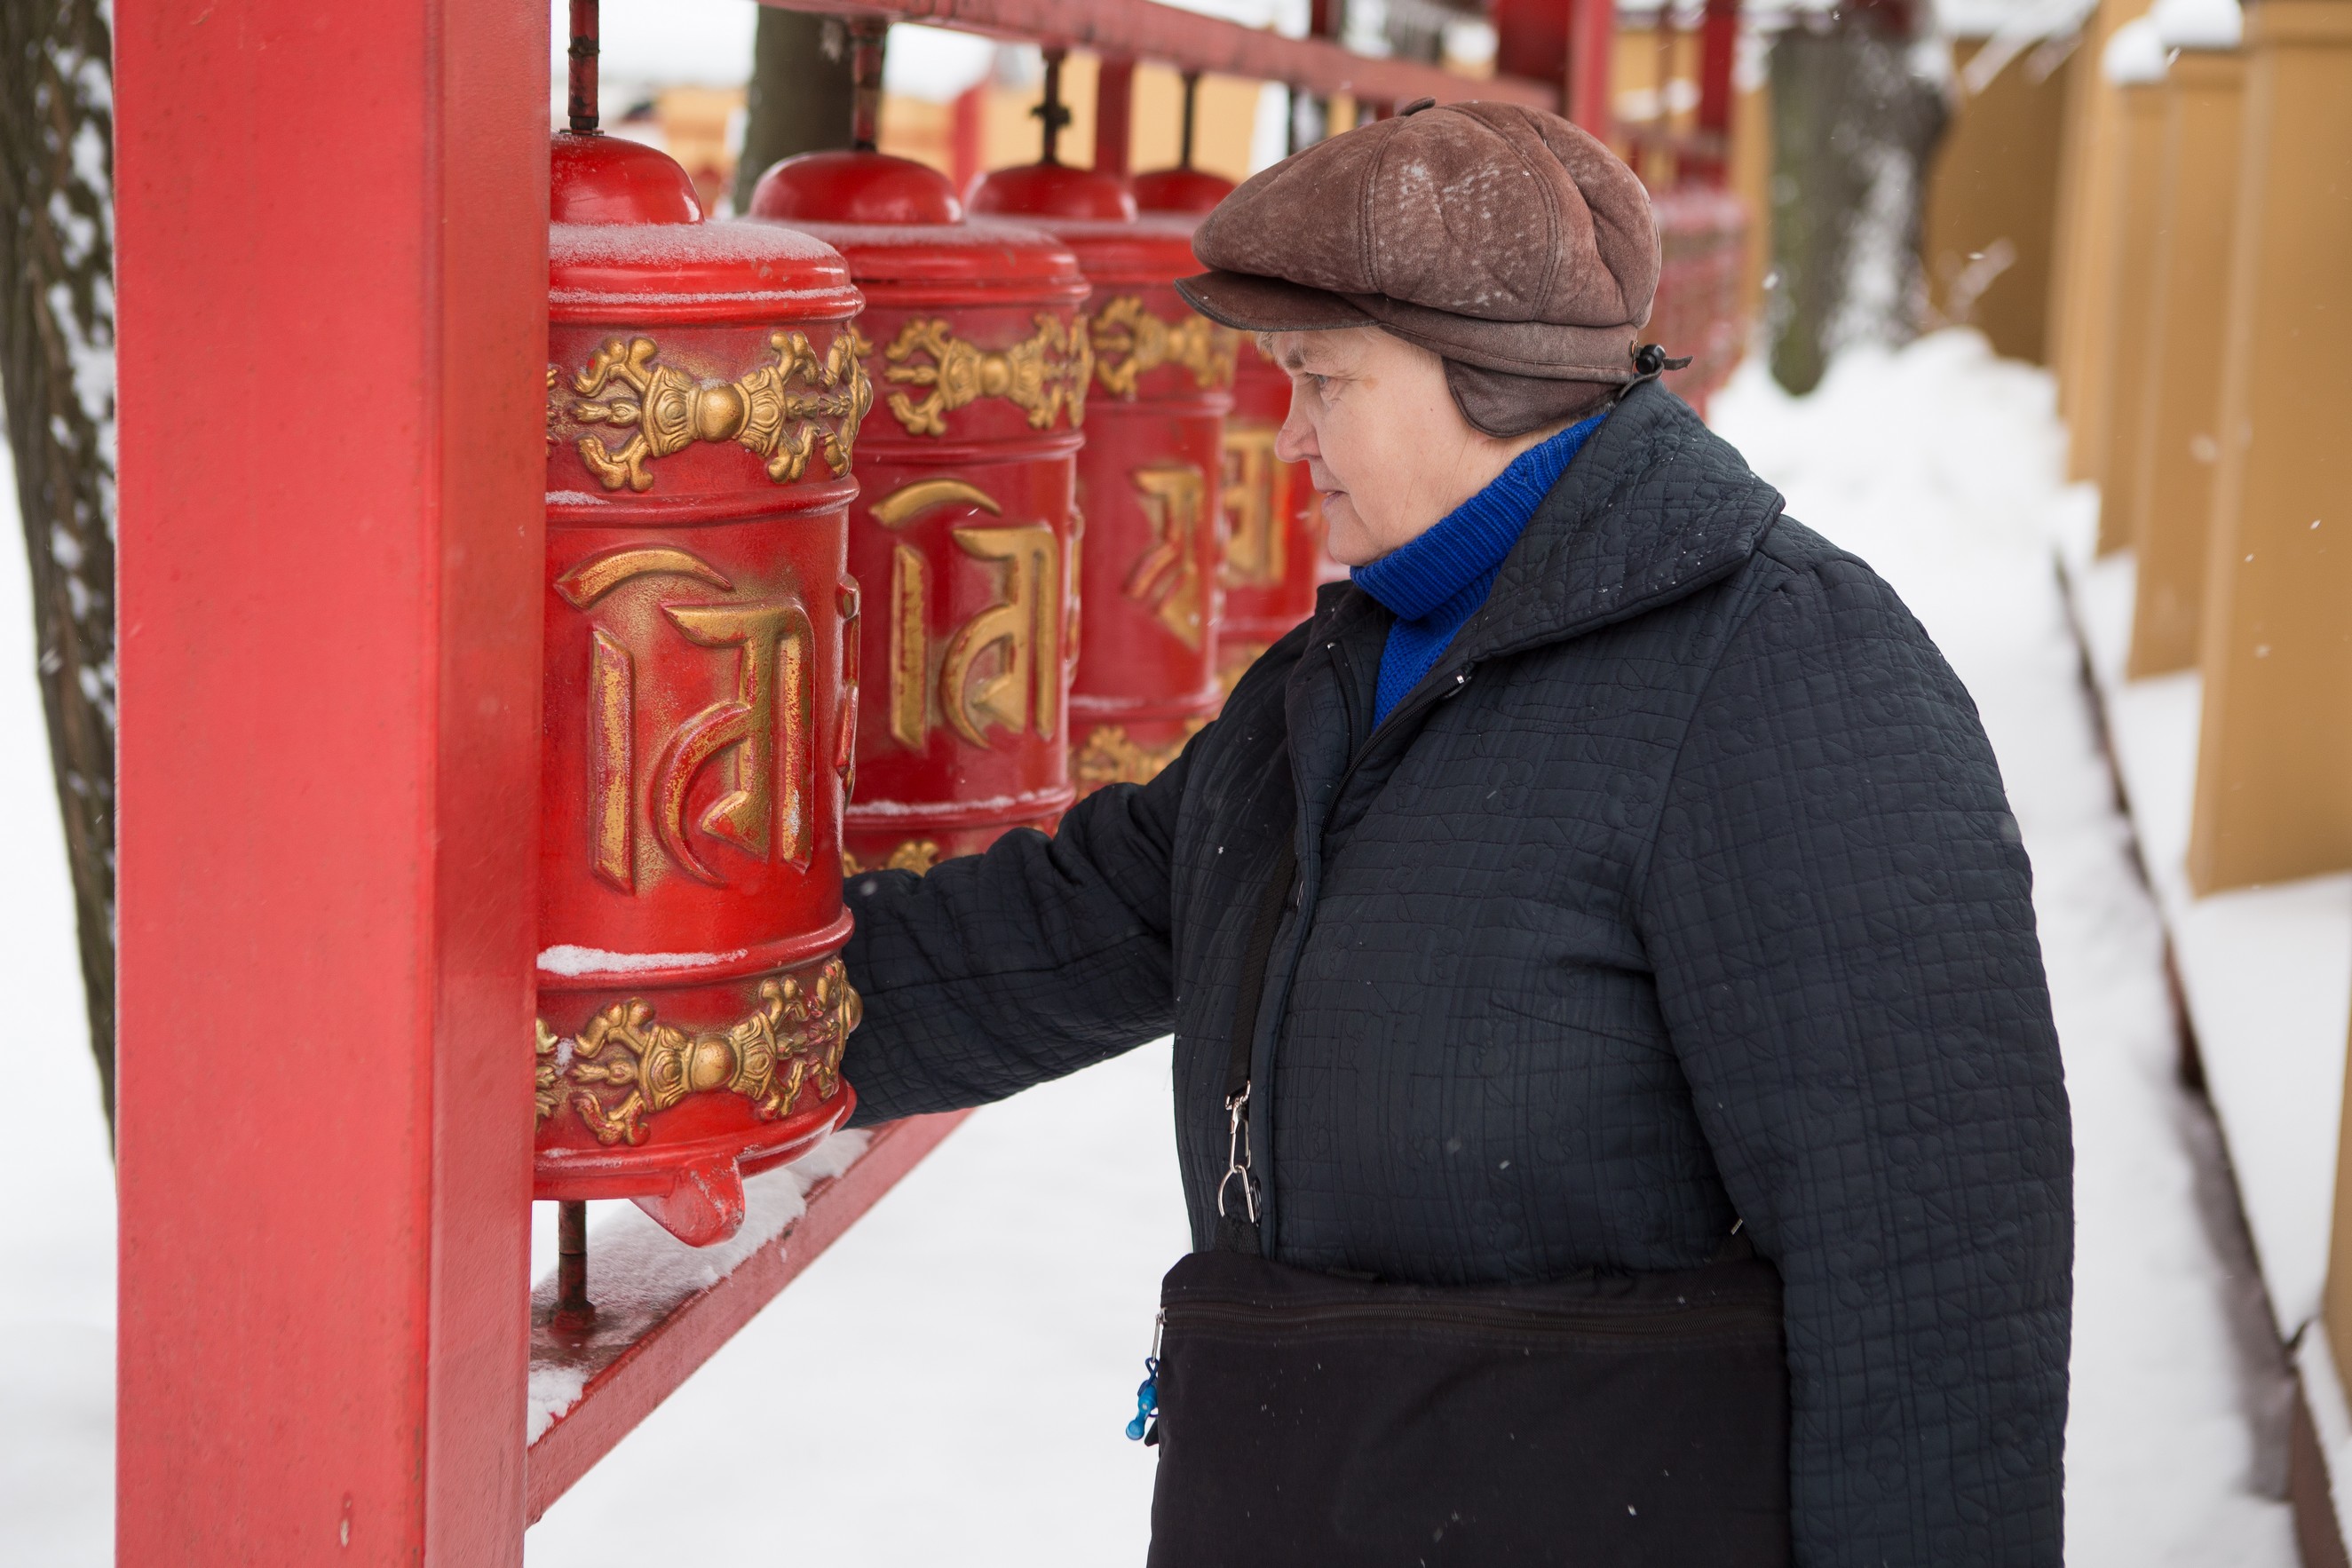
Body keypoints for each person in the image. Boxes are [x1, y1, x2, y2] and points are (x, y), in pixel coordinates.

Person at [840, 99, 2071, 1566]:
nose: (1286, 436)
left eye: (1321, 381)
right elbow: (1075, 924)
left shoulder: (1785, 669)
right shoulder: (1333, 676)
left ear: (1484, 373)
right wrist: (709, 1031)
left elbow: (1930, 1274)